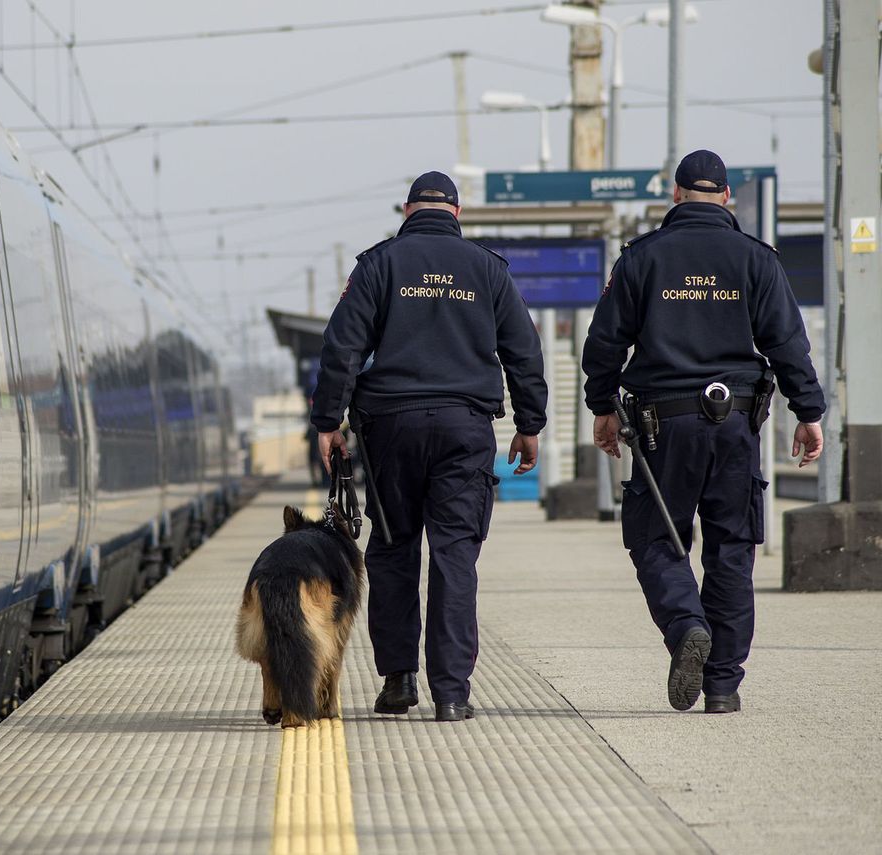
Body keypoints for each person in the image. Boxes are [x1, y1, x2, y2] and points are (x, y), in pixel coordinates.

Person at [582, 150, 825, 715]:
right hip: (737, 421)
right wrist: (808, 411)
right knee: (732, 548)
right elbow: (788, 344)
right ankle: (722, 685)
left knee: (655, 538)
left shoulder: (641, 257)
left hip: (661, 424)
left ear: (675, 193)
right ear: (726, 197)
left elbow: (605, 341)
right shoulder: (757, 259)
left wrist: (603, 406)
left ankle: (687, 624)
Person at [310, 171, 547, 722]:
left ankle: (398, 680)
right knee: (454, 555)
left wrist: (327, 421)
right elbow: (524, 350)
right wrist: (529, 423)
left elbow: (342, 345)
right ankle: (452, 693)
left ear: (407, 210)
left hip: (390, 429)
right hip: (465, 430)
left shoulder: (379, 264)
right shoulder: (488, 269)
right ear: (457, 213)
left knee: (394, 549)